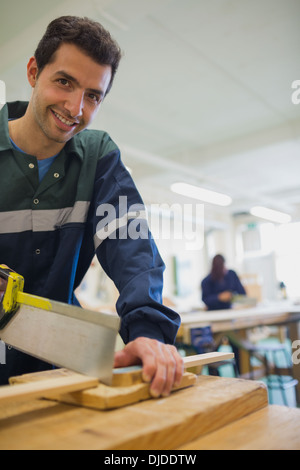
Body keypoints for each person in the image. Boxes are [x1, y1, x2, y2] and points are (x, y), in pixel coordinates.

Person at [0, 16, 184, 395]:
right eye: (64, 82)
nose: (74, 107)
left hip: (60, 366)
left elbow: (133, 248)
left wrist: (149, 332)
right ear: (34, 71)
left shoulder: (98, 157)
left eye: (93, 95)